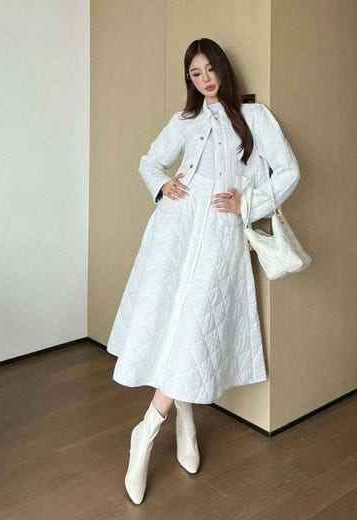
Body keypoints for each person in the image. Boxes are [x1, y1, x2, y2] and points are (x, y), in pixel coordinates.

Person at [106, 37, 301, 505]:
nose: (205, 79)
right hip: (175, 226)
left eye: (210, 69)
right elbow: (149, 161)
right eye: (196, 74)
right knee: (170, 319)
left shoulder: (255, 117)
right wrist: (163, 185)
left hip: (219, 228)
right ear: (189, 79)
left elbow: (289, 171)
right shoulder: (185, 120)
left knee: (195, 323)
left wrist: (247, 202)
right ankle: (185, 419)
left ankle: (146, 430)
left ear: (222, 69)